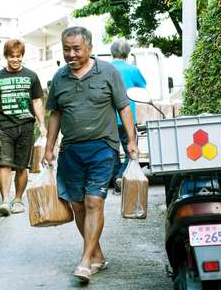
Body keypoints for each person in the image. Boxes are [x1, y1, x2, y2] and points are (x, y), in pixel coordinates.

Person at [43, 26, 138, 283]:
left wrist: (131, 140)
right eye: (66, 49)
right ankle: (96, 255)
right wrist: (49, 147)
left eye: (76, 49)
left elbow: (124, 107)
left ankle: (85, 261)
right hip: (71, 150)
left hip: (103, 147)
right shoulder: (60, 78)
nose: (71, 54)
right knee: (77, 205)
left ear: (89, 48)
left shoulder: (108, 72)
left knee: (94, 201)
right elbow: (56, 114)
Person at [0, 39, 47, 216]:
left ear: (22, 56)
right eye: (12, 57)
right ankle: (5, 201)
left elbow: (37, 101)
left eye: (18, 56)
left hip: (26, 126)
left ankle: (18, 199)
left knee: (21, 167)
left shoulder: (31, 76)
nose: (16, 60)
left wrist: (43, 124)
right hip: (5, 127)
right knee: (4, 163)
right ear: (6, 57)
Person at [109, 39, 147, 194]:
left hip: (108, 119)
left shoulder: (104, 69)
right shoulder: (133, 70)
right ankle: (121, 177)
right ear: (127, 53)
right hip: (128, 119)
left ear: (112, 52)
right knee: (130, 151)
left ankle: (115, 179)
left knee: (111, 151)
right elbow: (142, 88)